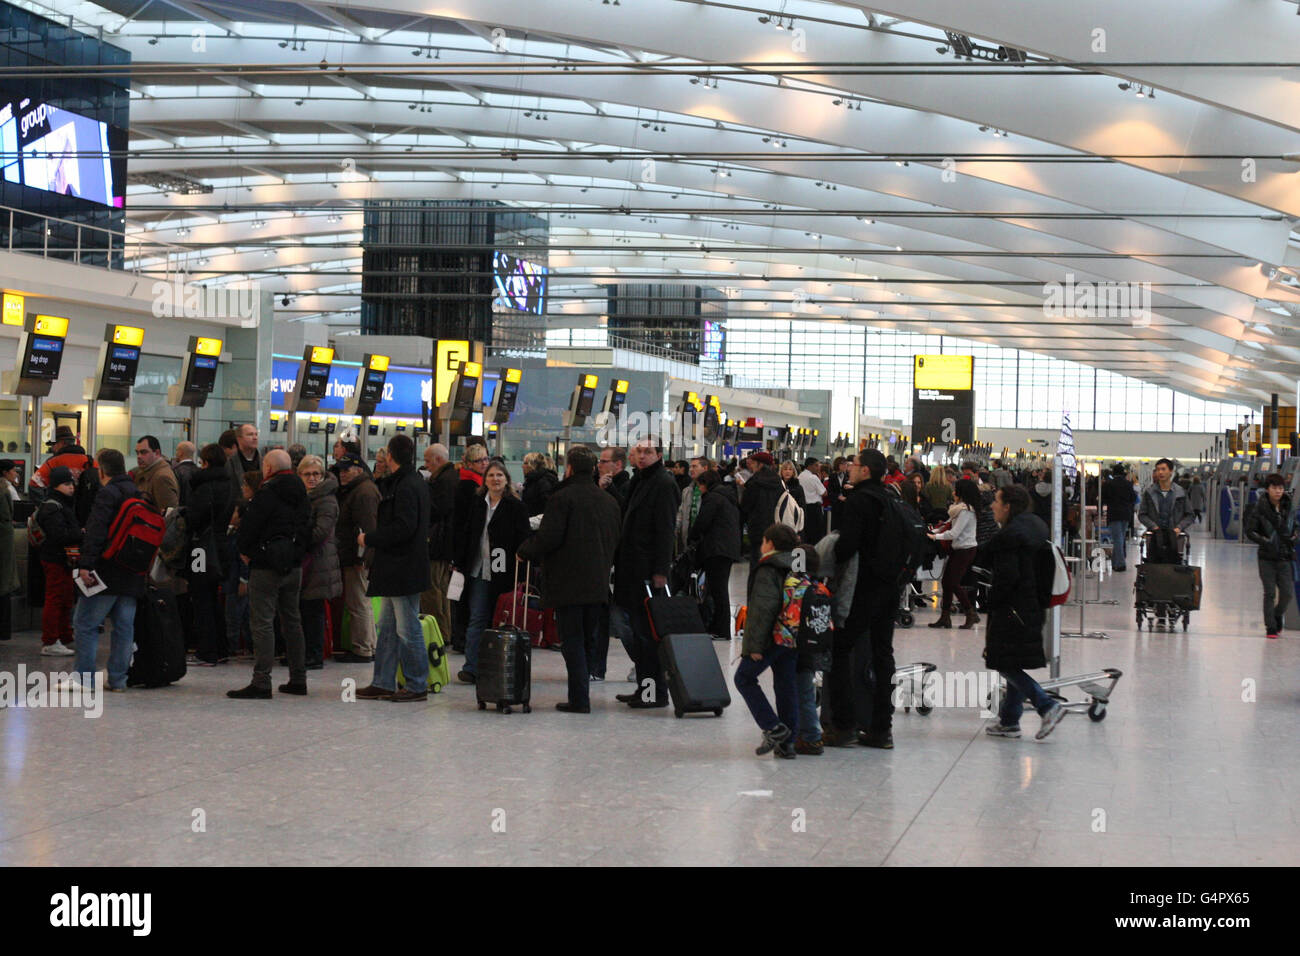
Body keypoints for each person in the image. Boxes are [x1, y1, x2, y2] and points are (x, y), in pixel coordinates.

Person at [517, 445, 622, 713]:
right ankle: (581, 693)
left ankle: (579, 699)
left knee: (571, 639)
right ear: (595, 468)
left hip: (568, 582)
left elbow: (549, 537)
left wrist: (524, 551)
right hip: (598, 581)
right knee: (588, 639)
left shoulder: (562, 499)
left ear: (570, 468)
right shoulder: (609, 502)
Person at [983, 484, 1067, 741]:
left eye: (996, 501)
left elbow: (1007, 578)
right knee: (1012, 660)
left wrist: (991, 602)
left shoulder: (1010, 538)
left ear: (1008, 506)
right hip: (1030, 606)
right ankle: (1009, 722)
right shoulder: (1034, 527)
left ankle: (1046, 705)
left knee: (1003, 661)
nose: (992, 506)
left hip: (1012, 609)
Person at [228, 449, 313, 700]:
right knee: (293, 621)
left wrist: (248, 552)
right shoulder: (302, 494)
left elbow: (250, 527)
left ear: (267, 468)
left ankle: (262, 681)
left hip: (266, 566)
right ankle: (298, 679)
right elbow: (308, 528)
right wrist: (296, 554)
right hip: (293, 566)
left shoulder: (267, 492)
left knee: (262, 622)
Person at [355, 435, 433, 702]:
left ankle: (416, 684)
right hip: (398, 566)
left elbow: (404, 527)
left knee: (407, 628)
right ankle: (383, 681)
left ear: (390, 455)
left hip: (403, 566)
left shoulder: (406, 486)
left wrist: (370, 538)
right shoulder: (412, 482)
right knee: (387, 626)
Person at [828, 449, 898, 749]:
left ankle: (844, 725)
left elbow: (847, 546)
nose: (849, 469)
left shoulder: (858, 501)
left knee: (840, 649)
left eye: (853, 466)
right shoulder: (891, 499)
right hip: (890, 587)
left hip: (862, 587)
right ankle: (882, 729)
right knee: (883, 655)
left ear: (865, 470)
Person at [66, 450, 145, 692]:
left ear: (101, 470)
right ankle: (119, 679)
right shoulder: (137, 493)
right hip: (132, 571)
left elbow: (96, 531)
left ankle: (84, 679)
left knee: (85, 624)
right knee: (124, 627)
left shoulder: (107, 494)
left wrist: (85, 565)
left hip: (106, 570)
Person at [612, 437, 679, 709]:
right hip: (631, 568)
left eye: (648, 452)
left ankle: (654, 693)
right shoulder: (639, 481)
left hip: (648, 571)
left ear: (659, 455)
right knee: (638, 633)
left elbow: (666, 530)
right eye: (639, 451)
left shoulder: (664, 483)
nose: (642, 456)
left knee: (647, 635)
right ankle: (645, 688)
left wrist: (661, 570)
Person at [453, 460, 530, 685]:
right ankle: (472, 667)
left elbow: (522, 537)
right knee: (477, 617)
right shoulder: (478, 503)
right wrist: (459, 560)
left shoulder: (515, 506)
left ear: (506, 480)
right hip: (478, 569)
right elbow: (467, 533)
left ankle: (498, 664)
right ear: (484, 480)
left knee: (499, 619)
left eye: (499, 475)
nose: (495, 479)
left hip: (502, 569)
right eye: (491, 476)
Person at [734, 523, 802, 759]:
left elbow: (762, 609)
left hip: (773, 635)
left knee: (743, 678)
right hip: (793, 634)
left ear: (770, 544)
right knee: (786, 685)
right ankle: (788, 743)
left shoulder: (768, 568)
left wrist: (753, 646)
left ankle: (773, 727)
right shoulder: (797, 565)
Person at [186, 444, 234, 666]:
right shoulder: (230, 484)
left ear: (204, 462)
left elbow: (194, 519)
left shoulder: (203, 486)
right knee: (213, 597)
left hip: (200, 548)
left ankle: (207, 651)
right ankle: (221, 647)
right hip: (222, 545)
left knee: (200, 597)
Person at [334, 453, 379, 663]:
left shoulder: (362, 492)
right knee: (361, 601)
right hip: (357, 555)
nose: (342, 474)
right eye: (341, 470)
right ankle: (368, 645)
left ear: (359, 470)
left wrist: (362, 558)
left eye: (347, 470)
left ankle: (362, 648)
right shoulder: (361, 489)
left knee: (358, 602)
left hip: (357, 557)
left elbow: (367, 528)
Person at [297, 455, 341, 670]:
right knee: (304, 609)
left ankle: (314, 654)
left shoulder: (326, 499)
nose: (312, 478)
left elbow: (320, 532)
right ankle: (304, 652)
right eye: (307, 474)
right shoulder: (305, 497)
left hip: (319, 561)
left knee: (313, 610)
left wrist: (297, 537)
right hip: (310, 561)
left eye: (316, 474)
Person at [688, 468, 741, 642]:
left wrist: (692, 537)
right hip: (727, 548)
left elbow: (702, 522)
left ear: (706, 484)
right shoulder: (727, 497)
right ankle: (717, 627)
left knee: (718, 591)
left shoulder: (713, 498)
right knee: (718, 589)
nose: (699, 490)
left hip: (716, 549)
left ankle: (722, 629)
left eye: (700, 486)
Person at [34, 466, 81, 656]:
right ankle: (51, 640)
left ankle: (63, 636)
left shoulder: (60, 504)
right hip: (55, 558)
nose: (71, 488)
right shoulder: (53, 506)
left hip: (62, 559)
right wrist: (79, 534)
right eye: (66, 484)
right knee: (55, 598)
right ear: (56, 485)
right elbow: (59, 535)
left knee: (65, 597)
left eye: (72, 484)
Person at [1245, 473, 1296, 640]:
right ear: (1267, 489)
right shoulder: (1259, 508)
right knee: (1270, 593)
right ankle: (1271, 626)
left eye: (1280, 488)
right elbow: (1250, 531)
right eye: (1274, 488)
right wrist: (1266, 541)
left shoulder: (1288, 506)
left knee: (1287, 593)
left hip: (1285, 556)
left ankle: (1276, 614)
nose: (1278, 491)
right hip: (1266, 557)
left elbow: (1295, 526)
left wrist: (1294, 537)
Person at [449, 442, 490, 652]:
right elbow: (460, 524)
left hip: (471, 550)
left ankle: (463, 637)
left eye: (485, 459)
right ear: (469, 463)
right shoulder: (467, 486)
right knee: (463, 596)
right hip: (466, 551)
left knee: (463, 595)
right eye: (479, 460)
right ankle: (462, 638)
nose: (484, 463)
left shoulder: (479, 484)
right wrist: (457, 556)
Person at [928, 478, 982, 630]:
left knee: (953, 582)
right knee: (947, 582)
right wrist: (932, 531)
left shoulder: (965, 511)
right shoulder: (959, 508)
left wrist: (935, 537)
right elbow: (947, 524)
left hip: (965, 550)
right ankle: (945, 617)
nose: (953, 492)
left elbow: (954, 532)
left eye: (955, 489)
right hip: (959, 549)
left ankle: (970, 612)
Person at [421, 443, 458, 643]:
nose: (426, 465)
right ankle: (445, 631)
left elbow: (437, 510)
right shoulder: (448, 477)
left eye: (428, 460)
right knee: (442, 590)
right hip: (444, 544)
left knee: (432, 589)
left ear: (438, 459)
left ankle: (437, 633)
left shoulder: (444, 481)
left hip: (437, 543)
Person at [1138, 458, 1195, 558]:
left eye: (1163, 469)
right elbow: (1142, 514)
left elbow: (1190, 515)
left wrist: (1179, 528)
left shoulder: (1180, 492)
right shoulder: (1149, 492)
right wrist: (1153, 527)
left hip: (1175, 537)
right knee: (1154, 563)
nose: (1160, 472)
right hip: (1155, 536)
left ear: (1171, 471)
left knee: (1174, 563)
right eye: (1158, 469)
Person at [28, 426, 94, 502]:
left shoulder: (53, 462)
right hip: (86, 511)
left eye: (54, 444)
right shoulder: (90, 461)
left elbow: (34, 485)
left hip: (60, 511)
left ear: (62, 443)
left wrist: (46, 505)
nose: (52, 448)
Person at [739, 451, 782, 565]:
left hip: (756, 528)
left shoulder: (754, 483)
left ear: (760, 464)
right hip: (775, 527)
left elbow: (745, 506)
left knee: (756, 561)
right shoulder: (779, 482)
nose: (751, 466)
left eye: (753, 463)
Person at [132, 435, 180, 512]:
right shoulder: (146, 471)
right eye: (137, 453)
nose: (139, 456)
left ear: (157, 453)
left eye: (144, 452)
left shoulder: (161, 477)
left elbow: (170, 516)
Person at [1101, 463, 1134, 572]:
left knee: (1117, 539)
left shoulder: (1108, 484)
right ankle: (1115, 562)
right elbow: (1133, 498)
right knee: (1120, 538)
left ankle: (1120, 564)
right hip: (1126, 514)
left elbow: (1103, 499)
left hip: (1113, 513)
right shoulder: (1128, 484)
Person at [675, 456, 710, 553]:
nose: (691, 469)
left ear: (705, 468)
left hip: (707, 542)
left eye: (695, 466)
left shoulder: (712, 490)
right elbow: (681, 513)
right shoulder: (687, 490)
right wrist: (675, 528)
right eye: (690, 467)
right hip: (688, 540)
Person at [0, 461, 18, 642]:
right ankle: (4, 630)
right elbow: (12, 514)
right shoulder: (6, 489)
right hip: (5, 540)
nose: (15, 473)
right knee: (4, 585)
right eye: (13, 470)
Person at [225, 423, 262, 503]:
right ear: (239, 439)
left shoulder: (264, 461)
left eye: (256, 434)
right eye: (250, 435)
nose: (255, 438)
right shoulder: (230, 463)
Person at [521, 451, 559, 518]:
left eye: (525, 463)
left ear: (533, 465)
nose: (522, 466)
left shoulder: (544, 482)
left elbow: (548, 507)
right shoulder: (531, 481)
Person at [798, 459, 827, 544]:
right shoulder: (813, 477)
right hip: (814, 509)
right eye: (817, 465)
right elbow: (824, 493)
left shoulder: (800, 476)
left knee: (806, 533)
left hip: (804, 507)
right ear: (810, 466)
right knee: (816, 535)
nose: (819, 468)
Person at [777, 460, 807, 530]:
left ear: (793, 472)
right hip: (779, 520)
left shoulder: (798, 488)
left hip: (794, 521)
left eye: (790, 469)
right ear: (781, 472)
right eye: (785, 469)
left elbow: (802, 507)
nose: (787, 471)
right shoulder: (778, 486)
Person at [172, 441, 198, 507]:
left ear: (181, 453)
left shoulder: (176, 471)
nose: (176, 453)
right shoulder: (199, 471)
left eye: (177, 450)